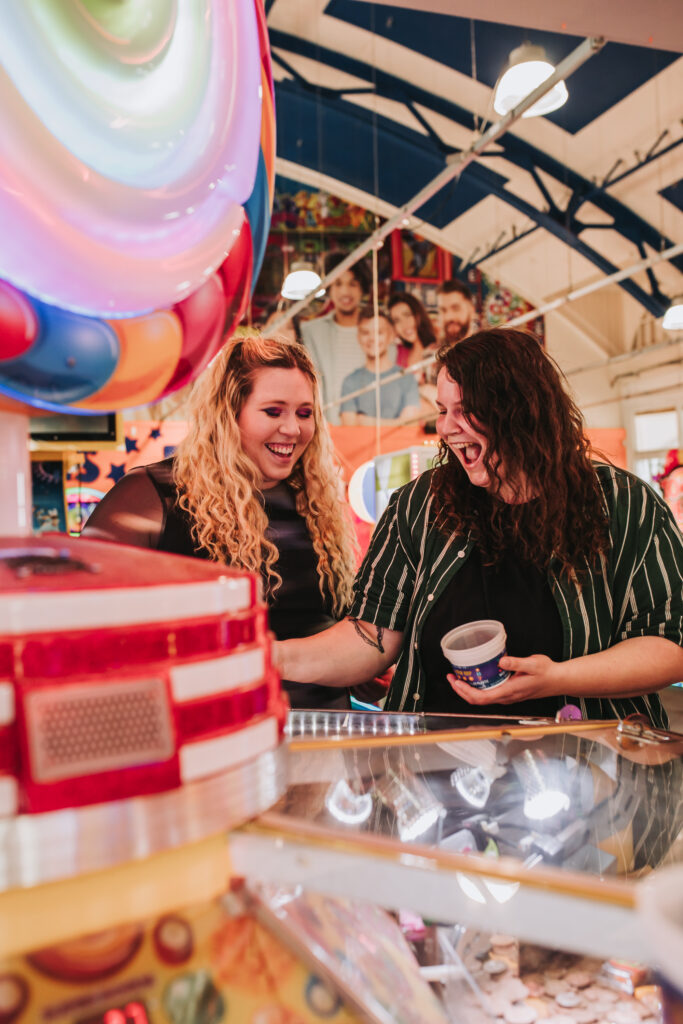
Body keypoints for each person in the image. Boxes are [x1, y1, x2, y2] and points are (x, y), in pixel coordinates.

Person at [276, 327, 683, 727]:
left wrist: (556, 678)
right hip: (431, 769)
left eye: (466, 409)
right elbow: (371, 637)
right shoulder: (419, 505)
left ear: (522, 409)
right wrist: (271, 657)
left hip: (589, 769)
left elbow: (669, 645)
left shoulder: (623, 503)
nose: (448, 427)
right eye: (441, 410)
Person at [82, 334, 359, 710]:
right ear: (229, 413)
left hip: (325, 736)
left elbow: (331, 626)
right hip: (214, 734)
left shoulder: (316, 500)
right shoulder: (152, 496)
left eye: (304, 413)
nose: (293, 429)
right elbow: (88, 627)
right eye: (274, 412)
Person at [300, 252, 372, 424]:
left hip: (370, 427)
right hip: (325, 427)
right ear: (329, 288)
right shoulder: (311, 331)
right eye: (338, 284)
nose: (345, 292)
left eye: (353, 284)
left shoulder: (378, 330)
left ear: (362, 289)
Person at [340, 308, 420, 425]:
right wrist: (397, 423)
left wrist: (363, 421)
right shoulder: (350, 381)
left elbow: (410, 425)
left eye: (379, 332)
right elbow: (349, 426)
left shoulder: (407, 378)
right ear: (358, 337)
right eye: (365, 333)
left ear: (391, 335)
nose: (372, 338)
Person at [387, 291, 438, 372]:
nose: (404, 325)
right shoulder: (398, 352)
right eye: (396, 320)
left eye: (407, 315)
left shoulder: (437, 350)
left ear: (418, 315)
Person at [437, 279, 475, 346]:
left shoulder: (487, 352)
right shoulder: (431, 354)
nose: (449, 317)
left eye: (456, 308)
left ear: (471, 310)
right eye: (443, 310)